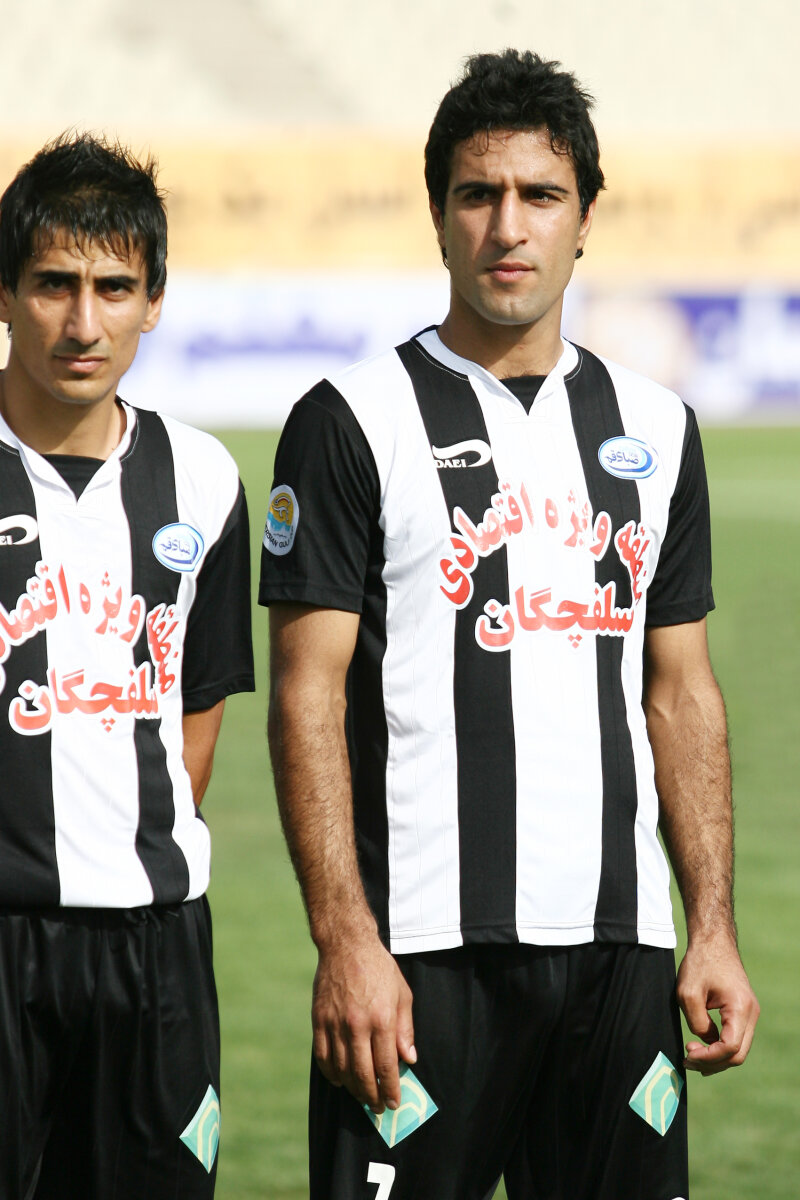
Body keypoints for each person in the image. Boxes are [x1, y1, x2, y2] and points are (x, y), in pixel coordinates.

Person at [260, 50, 759, 1200]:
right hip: (418, 959)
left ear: (584, 218)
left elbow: (679, 691)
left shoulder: (656, 428)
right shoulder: (349, 422)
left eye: (539, 195)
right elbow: (305, 693)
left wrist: (711, 927)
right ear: (437, 215)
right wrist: (345, 941)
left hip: (617, 959)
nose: (507, 226)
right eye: (477, 194)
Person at [0, 133, 254, 1199]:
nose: (83, 322)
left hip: (155, 951)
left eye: (113, 288)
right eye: (53, 284)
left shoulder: (204, 478)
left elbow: (198, 714)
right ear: (6, 294)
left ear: (153, 301)